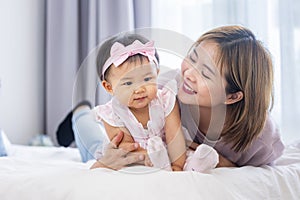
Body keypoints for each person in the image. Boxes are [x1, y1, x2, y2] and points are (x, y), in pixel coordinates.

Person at [73, 25, 284, 170]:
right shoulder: (166, 87)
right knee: (93, 144)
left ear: (232, 96)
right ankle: (80, 112)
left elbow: (262, 173)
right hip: (133, 135)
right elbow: (123, 124)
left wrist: (221, 161)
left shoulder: (261, 141)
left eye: (205, 73)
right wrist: (107, 159)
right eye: (192, 58)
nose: (188, 74)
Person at [91, 33, 187, 171]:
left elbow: (175, 136)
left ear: (157, 73)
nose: (139, 89)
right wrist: (155, 160)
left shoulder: (166, 99)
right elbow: (127, 148)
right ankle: (79, 112)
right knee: (90, 137)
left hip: (162, 154)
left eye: (147, 79)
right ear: (109, 87)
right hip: (134, 157)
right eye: (128, 83)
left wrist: (177, 166)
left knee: (191, 157)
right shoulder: (111, 114)